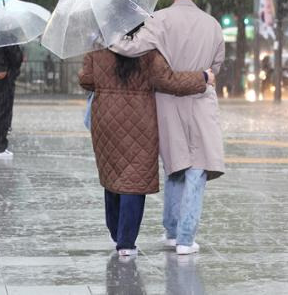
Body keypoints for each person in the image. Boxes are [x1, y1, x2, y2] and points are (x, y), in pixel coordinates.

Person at [110, 0, 225, 255]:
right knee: (197, 170)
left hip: (168, 102)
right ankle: (186, 238)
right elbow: (216, 67)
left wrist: (107, 35)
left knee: (176, 166)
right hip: (200, 101)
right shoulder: (212, 25)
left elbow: (132, 47)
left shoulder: (159, 19)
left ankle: (173, 231)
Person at [79, 49, 211, 256]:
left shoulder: (97, 53)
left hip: (105, 118)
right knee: (134, 180)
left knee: (112, 173)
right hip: (140, 121)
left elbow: (86, 80)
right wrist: (202, 77)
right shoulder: (149, 55)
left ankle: (117, 234)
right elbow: (169, 81)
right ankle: (125, 243)